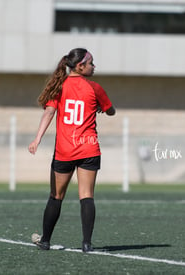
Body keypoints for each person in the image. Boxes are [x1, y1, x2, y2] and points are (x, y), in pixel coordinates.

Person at [28, 48, 115, 252]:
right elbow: (111, 111)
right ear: (80, 66)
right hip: (89, 149)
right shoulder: (95, 88)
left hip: (65, 151)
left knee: (56, 196)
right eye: (91, 63)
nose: (94, 66)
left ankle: (46, 240)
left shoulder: (60, 86)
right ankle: (86, 243)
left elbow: (49, 113)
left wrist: (37, 139)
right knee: (86, 196)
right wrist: (104, 108)